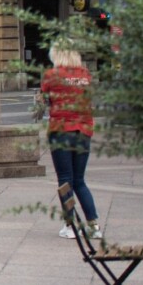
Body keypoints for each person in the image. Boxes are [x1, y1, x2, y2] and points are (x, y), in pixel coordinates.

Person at [41, 43, 100, 239]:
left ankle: (70, 225)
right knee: (79, 180)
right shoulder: (85, 75)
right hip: (83, 130)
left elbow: (44, 99)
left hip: (60, 131)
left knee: (65, 180)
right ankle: (94, 225)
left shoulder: (52, 75)